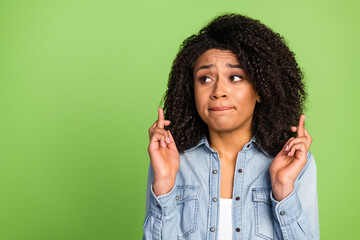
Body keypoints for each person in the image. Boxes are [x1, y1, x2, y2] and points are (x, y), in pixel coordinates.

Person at [142, 13, 319, 240]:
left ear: (260, 90)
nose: (218, 91)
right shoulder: (170, 160)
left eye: (235, 77)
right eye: (205, 78)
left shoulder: (295, 162)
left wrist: (283, 188)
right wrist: (164, 182)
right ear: (191, 91)